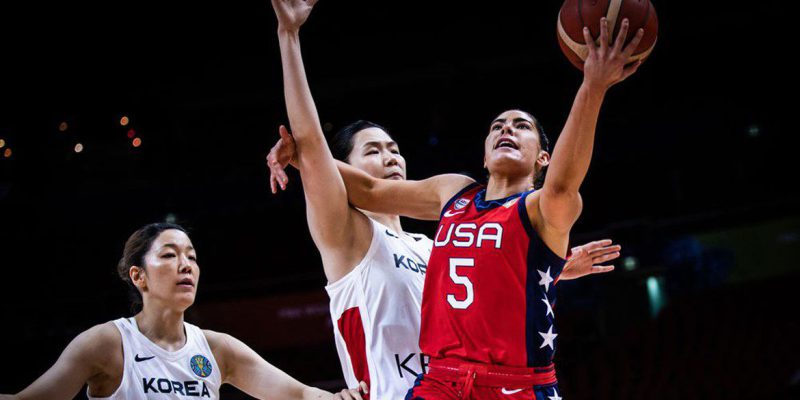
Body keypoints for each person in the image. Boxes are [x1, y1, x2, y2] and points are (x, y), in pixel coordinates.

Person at [267, 0, 626, 398]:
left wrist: (549, 266)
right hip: (439, 383)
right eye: (496, 126)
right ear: (483, 155)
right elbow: (363, 187)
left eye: (520, 126)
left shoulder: (439, 243)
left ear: (544, 157)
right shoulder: (444, 197)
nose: (505, 130)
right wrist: (304, 154)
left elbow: (498, 266)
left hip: (509, 383)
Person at [0, 223, 362, 400]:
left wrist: (337, 398)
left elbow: (299, 395)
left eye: (191, 256)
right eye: (170, 255)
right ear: (138, 276)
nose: (186, 265)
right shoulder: (106, 344)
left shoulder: (217, 349)